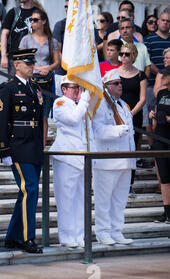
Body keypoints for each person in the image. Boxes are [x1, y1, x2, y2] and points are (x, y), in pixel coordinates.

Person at [0, 48, 43, 254]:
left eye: (33, 63)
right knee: (29, 189)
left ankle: (12, 236)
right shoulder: (8, 89)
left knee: (26, 192)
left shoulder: (35, 88)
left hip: (33, 146)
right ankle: (26, 237)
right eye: (27, 63)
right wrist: (3, 150)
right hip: (18, 146)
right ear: (17, 65)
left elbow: (39, 119)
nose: (32, 66)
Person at [92, 69, 135, 245]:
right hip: (107, 159)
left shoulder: (123, 105)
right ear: (107, 86)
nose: (120, 86)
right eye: (116, 83)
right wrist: (117, 131)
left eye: (120, 83)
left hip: (125, 159)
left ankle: (117, 231)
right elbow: (97, 130)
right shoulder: (100, 104)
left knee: (119, 200)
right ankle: (102, 232)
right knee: (104, 200)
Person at [49, 76, 91, 249]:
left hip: (81, 156)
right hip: (66, 156)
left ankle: (80, 235)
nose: (77, 91)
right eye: (73, 87)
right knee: (66, 200)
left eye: (78, 88)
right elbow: (73, 119)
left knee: (81, 200)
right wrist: (85, 99)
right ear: (64, 89)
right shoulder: (60, 103)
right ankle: (67, 236)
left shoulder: (80, 104)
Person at [19, 8, 60, 148]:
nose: (32, 22)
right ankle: (29, 144)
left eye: (35, 20)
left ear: (43, 21)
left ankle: (41, 147)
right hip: (31, 81)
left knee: (44, 116)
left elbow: (56, 62)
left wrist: (48, 68)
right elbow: (20, 60)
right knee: (29, 113)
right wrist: (36, 68)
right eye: (31, 20)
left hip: (46, 82)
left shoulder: (52, 41)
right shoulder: (26, 39)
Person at [118, 42, 147, 194]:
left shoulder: (141, 74)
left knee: (132, 149)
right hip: (116, 115)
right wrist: (119, 113)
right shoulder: (114, 72)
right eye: (121, 54)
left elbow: (142, 99)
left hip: (134, 115)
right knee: (117, 149)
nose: (123, 57)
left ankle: (130, 184)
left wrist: (130, 113)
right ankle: (118, 182)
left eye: (127, 54)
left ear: (134, 56)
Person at [144, 9, 170, 143]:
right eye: (163, 20)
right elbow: (147, 60)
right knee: (152, 119)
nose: (165, 23)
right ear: (158, 21)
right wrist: (163, 72)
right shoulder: (149, 39)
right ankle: (153, 148)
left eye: (168, 21)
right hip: (152, 83)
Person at [149, 66, 170, 223]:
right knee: (164, 177)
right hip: (160, 137)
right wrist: (153, 115)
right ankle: (167, 211)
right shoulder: (162, 93)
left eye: (164, 76)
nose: (161, 78)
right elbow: (157, 109)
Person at [0, 0, 39, 76]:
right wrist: (3, 56)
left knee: (32, 86)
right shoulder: (13, 12)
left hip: (33, 58)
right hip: (15, 58)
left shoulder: (38, 13)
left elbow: (43, 36)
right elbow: (4, 34)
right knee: (14, 85)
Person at [52, 0, 68, 96]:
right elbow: (57, 50)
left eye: (69, 7)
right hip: (62, 70)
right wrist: (68, 67)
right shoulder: (60, 25)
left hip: (79, 71)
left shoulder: (83, 25)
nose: (66, 9)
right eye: (65, 7)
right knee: (60, 100)